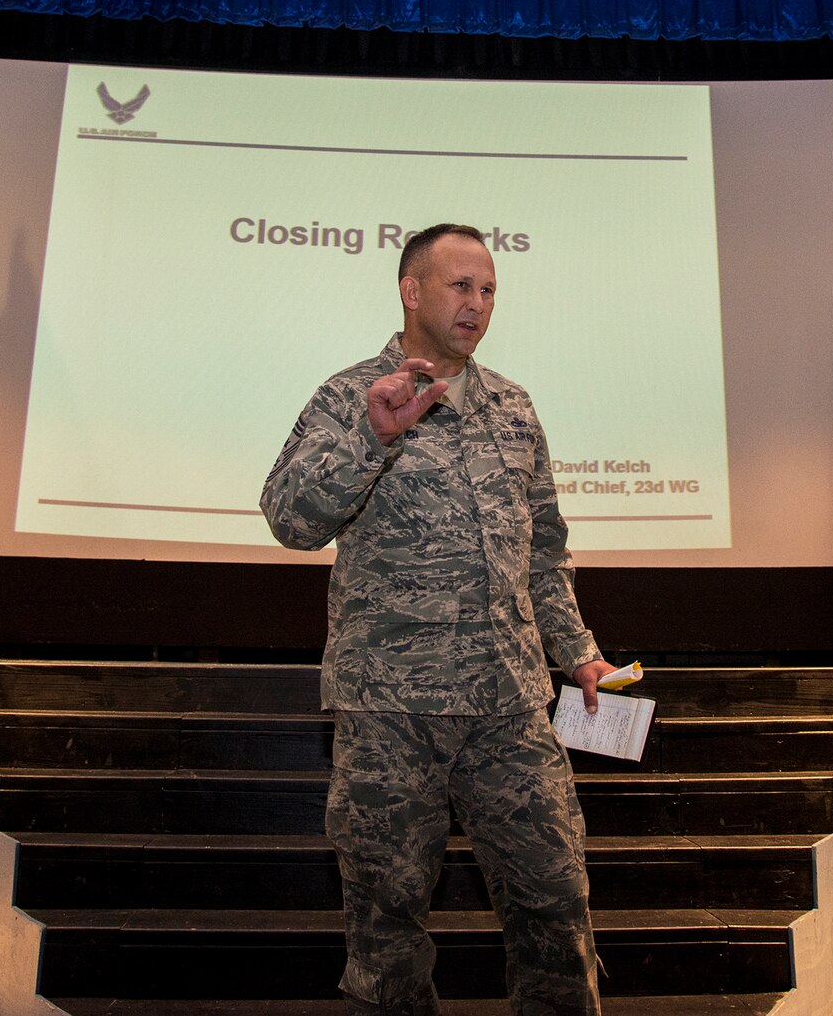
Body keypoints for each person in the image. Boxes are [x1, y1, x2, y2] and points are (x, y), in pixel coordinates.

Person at [261, 223, 618, 1016]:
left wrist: (579, 653)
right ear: (411, 290)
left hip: (510, 713)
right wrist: (370, 436)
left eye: (489, 289)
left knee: (558, 910)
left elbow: (544, 550)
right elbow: (288, 517)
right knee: (386, 939)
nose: (478, 304)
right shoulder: (351, 396)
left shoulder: (514, 409)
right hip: (392, 715)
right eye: (461, 286)